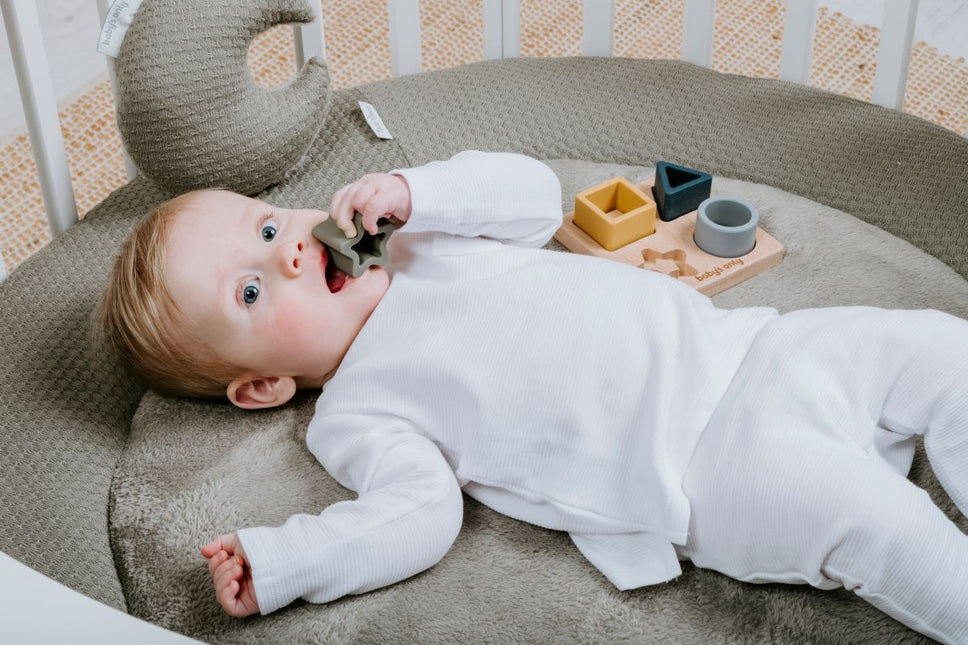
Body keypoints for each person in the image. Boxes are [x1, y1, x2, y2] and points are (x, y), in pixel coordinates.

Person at [101, 151, 968, 643]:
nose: (285, 254)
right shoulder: (356, 411)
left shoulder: (421, 238)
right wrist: (287, 561)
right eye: (249, 294)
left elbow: (532, 197)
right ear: (263, 386)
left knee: (935, 346)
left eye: (265, 227)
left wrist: (416, 192)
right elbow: (415, 516)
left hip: (756, 346)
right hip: (704, 469)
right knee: (883, 527)